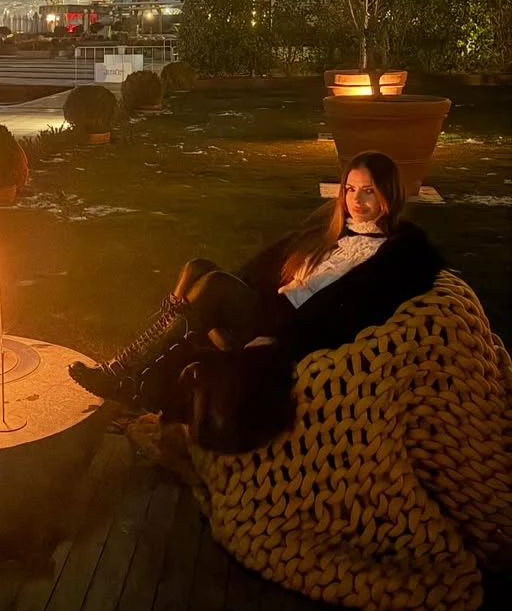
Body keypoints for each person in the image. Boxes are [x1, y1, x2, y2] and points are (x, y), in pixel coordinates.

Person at [68, 151, 444, 452]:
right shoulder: (330, 231)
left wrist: (280, 340)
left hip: (289, 326)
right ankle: (139, 373)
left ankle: (124, 373)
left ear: (388, 195)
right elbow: (272, 267)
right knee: (196, 268)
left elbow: (345, 311)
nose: (356, 201)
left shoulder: (389, 255)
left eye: (369, 191)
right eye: (350, 189)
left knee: (213, 284)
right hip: (270, 306)